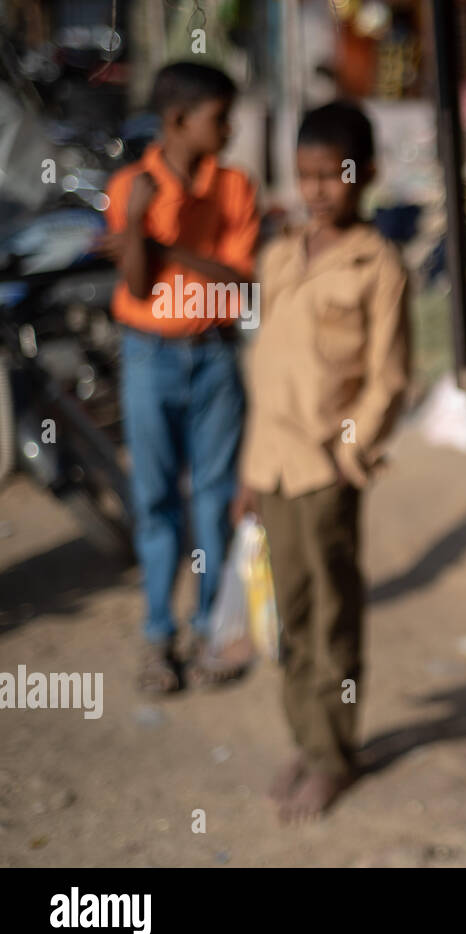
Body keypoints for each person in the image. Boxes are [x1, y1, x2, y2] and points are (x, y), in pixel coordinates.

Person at [231, 101, 410, 822]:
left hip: (325, 473)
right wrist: (247, 470)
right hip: (272, 467)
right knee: (290, 616)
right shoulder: (279, 256)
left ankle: (335, 755)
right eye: (305, 177)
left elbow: (389, 376)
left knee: (333, 617)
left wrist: (349, 450)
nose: (317, 191)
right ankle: (306, 739)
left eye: (332, 176)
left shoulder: (379, 265)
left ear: (366, 175)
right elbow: (265, 368)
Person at [100, 62, 259, 695]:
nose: (230, 127)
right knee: (157, 500)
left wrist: (159, 246)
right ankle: (159, 635)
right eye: (220, 118)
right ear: (177, 120)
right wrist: (137, 225)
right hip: (150, 356)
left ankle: (210, 627)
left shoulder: (236, 187)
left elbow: (242, 284)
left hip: (215, 355)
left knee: (214, 498)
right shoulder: (129, 187)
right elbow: (138, 284)